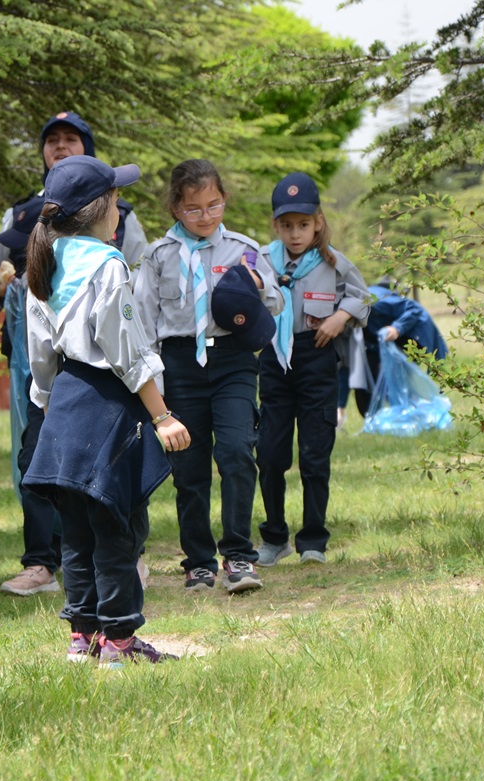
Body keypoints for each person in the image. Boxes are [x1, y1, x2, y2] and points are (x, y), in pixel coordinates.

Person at [22, 155, 187, 664]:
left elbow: (40, 354)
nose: (121, 208)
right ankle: (119, 641)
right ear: (100, 209)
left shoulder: (46, 260)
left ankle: (83, 637)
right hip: (110, 403)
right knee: (119, 526)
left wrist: (49, 407)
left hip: (66, 403)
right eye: (116, 199)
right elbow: (127, 350)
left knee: (76, 531)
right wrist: (161, 415)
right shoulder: (107, 262)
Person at [0, 111, 149, 597]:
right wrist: (2, 283)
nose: (59, 146)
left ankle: (122, 558)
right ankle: (40, 561)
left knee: (110, 465)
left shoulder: (121, 218)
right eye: (51, 140)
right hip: (43, 362)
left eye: (70, 139)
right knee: (38, 454)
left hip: (101, 362)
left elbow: (136, 278)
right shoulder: (23, 215)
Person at [133, 159, 284, 593]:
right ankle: (198, 561)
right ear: (176, 208)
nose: (205, 216)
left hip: (233, 360)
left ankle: (238, 554)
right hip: (180, 363)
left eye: (213, 205)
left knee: (238, 450)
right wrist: (155, 384)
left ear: (225, 200)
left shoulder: (245, 248)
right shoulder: (158, 256)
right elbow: (144, 320)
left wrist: (257, 285)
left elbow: (274, 302)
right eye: (193, 209)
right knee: (189, 467)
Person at [255, 173, 369, 567]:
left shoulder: (334, 262)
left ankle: (313, 539)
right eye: (287, 226)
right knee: (270, 453)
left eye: (303, 224)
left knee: (315, 454)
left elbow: (363, 298)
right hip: (274, 360)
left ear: (318, 221)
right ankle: (274, 537)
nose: (295, 234)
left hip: (317, 359)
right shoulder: (262, 260)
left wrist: (341, 317)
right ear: (276, 226)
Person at [337, 277, 448, 423]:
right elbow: (346, 368)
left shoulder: (373, 301)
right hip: (380, 339)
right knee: (366, 369)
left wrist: (397, 328)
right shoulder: (346, 329)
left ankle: (410, 414)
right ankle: (374, 420)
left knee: (395, 373)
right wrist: (339, 407)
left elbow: (413, 309)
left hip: (412, 332)